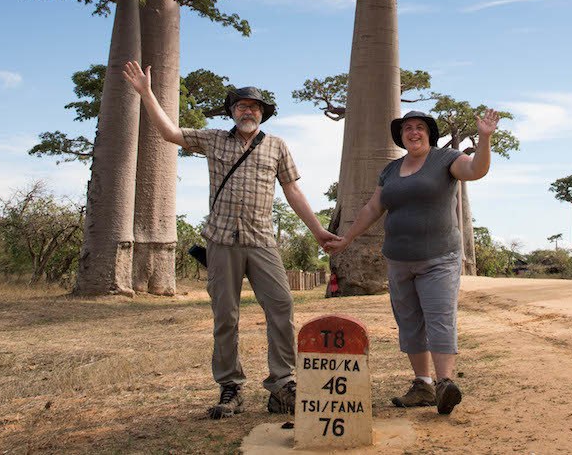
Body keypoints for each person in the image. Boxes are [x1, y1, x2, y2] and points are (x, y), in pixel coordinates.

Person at [122, 61, 340, 419]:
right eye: (241, 106)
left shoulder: (277, 147)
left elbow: (293, 191)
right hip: (222, 241)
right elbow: (169, 133)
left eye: (254, 107)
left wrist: (317, 231)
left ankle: (282, 383)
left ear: (263, 114)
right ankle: (230, 387)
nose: (248, 111)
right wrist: (147, 93)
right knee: (226, 316)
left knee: (281, 307)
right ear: (232, 112)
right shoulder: (212, 139)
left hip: (262, 241)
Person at [324, 107, 498, 416]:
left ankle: (445, 383)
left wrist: (484, 139)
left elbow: (476, 171)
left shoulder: (445, 159)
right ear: (401, 136)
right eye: (407, 128)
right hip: (399, 259)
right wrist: (346, 238)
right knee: (409, 321)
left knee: (439, 316)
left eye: (419, 127)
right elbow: (373, 207)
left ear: (429, 133)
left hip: (438, 257)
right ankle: (422, 385)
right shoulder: (390, 170)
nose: (413, 132)